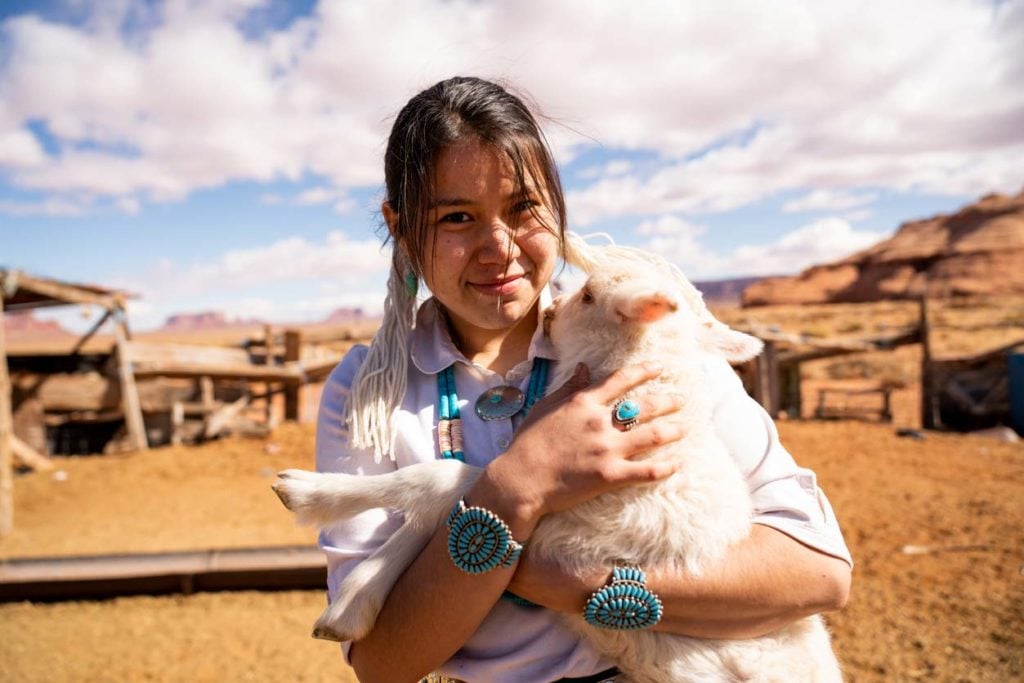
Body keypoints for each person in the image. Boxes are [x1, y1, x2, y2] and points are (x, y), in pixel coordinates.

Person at [316, 76, 852, 683]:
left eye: (523, 209)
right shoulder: (369, 393)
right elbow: (384, 662)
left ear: (558, 203)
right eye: (458, 218)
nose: (500, 249)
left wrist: (585, 587)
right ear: (403, 226)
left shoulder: (649, 339)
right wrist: (522, 482)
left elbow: (819, 573)